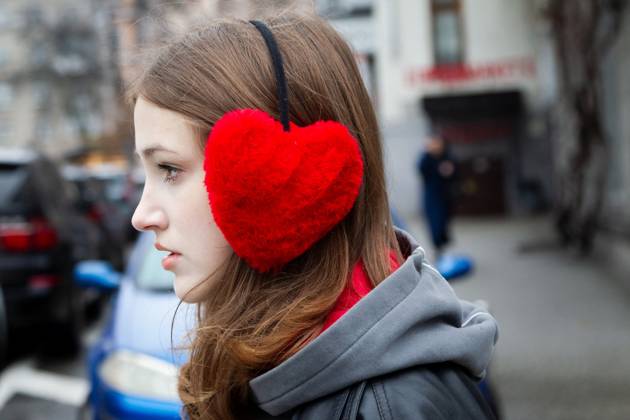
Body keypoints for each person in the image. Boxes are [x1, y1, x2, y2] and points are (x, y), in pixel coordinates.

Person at [130, 12, 497, 420]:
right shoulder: (263, 363)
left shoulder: (394, 406)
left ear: (273, 183)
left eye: (169, 169)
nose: (141, 216)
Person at [417, 135, 458, 259]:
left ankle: (443, 246)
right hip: (431, 195)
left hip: (445, 195)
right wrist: (427, 153)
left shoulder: (447, 157)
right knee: (435, 222)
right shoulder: (426, 158)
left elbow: (455, 172)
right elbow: (421, 169)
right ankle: (438, 248)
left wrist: (451, 171)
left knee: (444, 222)